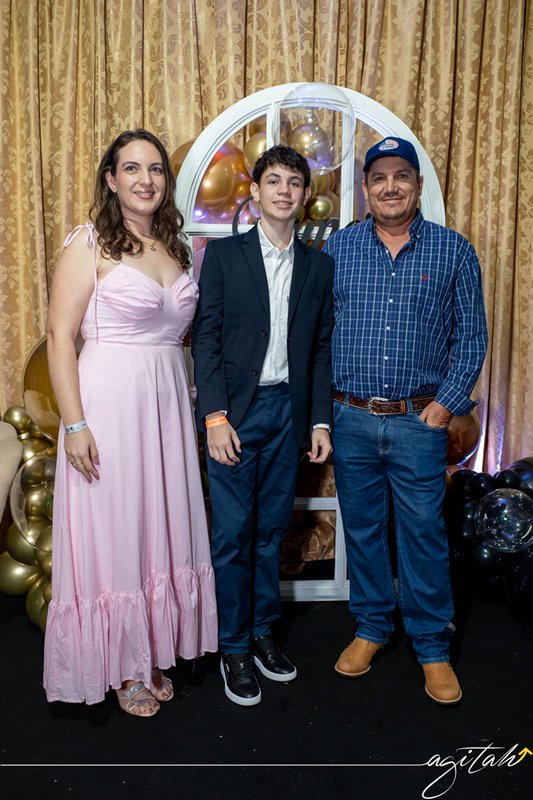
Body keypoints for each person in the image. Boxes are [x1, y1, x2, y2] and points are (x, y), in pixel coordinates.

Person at [44, 129, 218, 716]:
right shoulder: (88, 242)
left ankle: (151, 648)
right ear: (111, 179)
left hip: (166, 408)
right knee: (117, 530)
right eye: (132, 168)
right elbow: (58, 338)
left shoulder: (177, 247)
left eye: (156, 169)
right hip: (109, 407)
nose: (146, 179)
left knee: (157, 528)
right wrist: (74, 425)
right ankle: (122, 667)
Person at [324, 136, 487, 705]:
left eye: (401, 176)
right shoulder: (339, 249)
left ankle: (432, 646)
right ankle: (371, 627)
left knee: (423, 533)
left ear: (417, 185)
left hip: (420, 421)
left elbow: (472, 338)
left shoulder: (453, 251)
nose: (390, 186)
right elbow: (318, 333)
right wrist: (323, 414)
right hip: (351, 418)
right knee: (363, 530)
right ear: (366, 189)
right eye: (379, 178)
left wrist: (446, 405)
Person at [192, 145, 334, 707]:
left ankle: (261, 633)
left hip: (287, 415)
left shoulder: (319, 267)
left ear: (304, 196)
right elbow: (206, 338)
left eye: (293, 183)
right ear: (255, 192)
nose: (283, 191)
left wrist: (319, 421)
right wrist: (215, 416)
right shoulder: (225, 257)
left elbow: (320, 350)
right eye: (273, 181)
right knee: (232, 535)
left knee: (272, 531)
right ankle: (232, 646)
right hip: (236, 414)